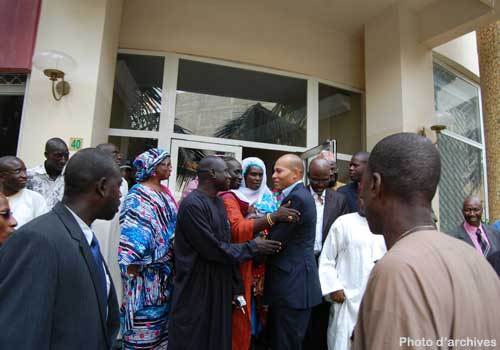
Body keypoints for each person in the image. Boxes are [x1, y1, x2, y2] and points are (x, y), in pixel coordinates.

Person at [353, 133, 500, 350]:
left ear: (376, 184)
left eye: (362, 186)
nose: (360, 197)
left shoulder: (397, 271)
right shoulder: (478, 263)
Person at [0, 148, 121, 349]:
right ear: (101, 187)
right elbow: (21, 335)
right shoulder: (38, 240)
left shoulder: (84, 236)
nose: (120, 196)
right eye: (118, 187)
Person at [168, 156, 282, 350]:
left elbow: (227, 243)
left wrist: (237, 287)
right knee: (194, 340)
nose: (231, 176)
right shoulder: (193, 205)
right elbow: (213, 249)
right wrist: (254, 247)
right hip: (196, 290)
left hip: (218, 287)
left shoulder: (218, 203)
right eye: (226, 172)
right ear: (212, 173)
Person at [220, 157, 300, 350]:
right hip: (240, 261)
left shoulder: (271, 197)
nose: (256, 178)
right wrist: (270, 218)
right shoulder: (231, 197)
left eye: (260, 174)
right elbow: (236, 229)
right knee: (240, 313)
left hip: (264, 263)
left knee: (260, 315)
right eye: (251, 174)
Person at [118, 148, 177, 350]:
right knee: (142, 327)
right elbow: (132, 231)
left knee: (162, 330)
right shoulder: (138, 194)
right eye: (166, 164)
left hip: (164, 273)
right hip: (144, 274)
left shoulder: (165, 193)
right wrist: (133, 263)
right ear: (153, 169)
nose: (170, 168)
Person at [264, 154, 322, 350]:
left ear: (297, 173)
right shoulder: (296, 194)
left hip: (292, 286)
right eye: (273, 170)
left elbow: (276, 240)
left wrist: (250, 244)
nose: (274, 175)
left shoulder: (296, 197)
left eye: (279, 170)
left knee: (286, 343)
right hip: (294, 284)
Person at [318, 199, 386, 350]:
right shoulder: (343, 223)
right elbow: (327, 259)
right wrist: (333, 287)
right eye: (361, 198)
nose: (364, 202)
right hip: (347, 299)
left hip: (378, 298)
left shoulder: (387, 224)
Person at [303, 157, 350, 350]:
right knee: (306, 311)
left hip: (328, 263)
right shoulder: (299, 196)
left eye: (324, 180)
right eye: (316, 180)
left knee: (324, 311)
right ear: (308, 176)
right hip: (304, 262)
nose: (320, 184)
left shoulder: (339, 200)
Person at [92, 143, 129, 309]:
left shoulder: (124, 184)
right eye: (115, 153)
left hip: (115, 236)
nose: (119, 156)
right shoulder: (90, 179)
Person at [0, 156, 48, 227]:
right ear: (2, 176)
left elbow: (42, 228)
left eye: (25, 171)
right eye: (17, 171)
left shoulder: (36, 199)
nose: (24, 176)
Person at [27, 137, 69, 208]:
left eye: (66, 155)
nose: (63, 160)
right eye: (58, 156)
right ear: (46, 155)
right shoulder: (29, 176)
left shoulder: (70, 177)